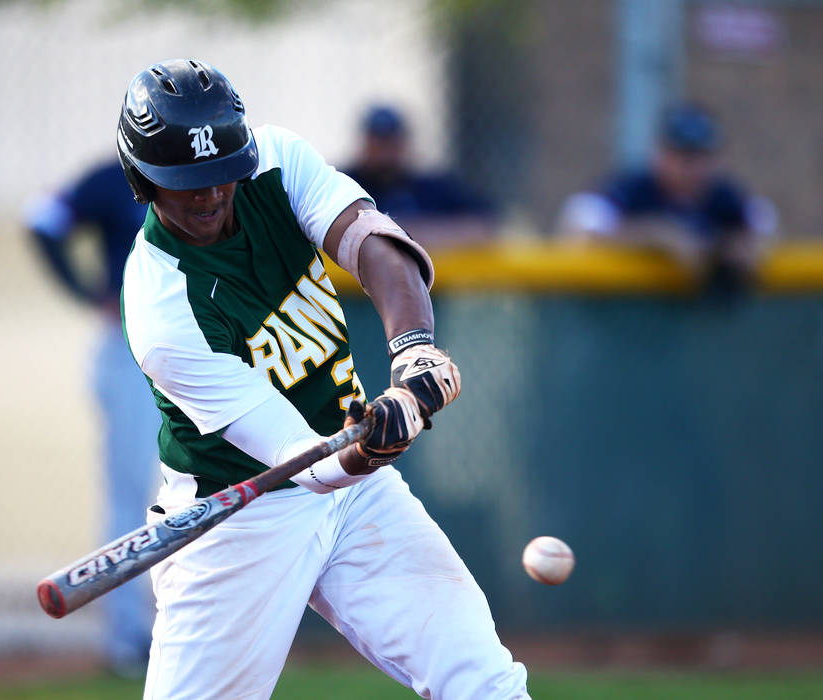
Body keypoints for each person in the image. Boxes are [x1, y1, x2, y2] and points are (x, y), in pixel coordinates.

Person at [116, 59, 529, 699]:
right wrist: (372, 447)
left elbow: (374, 244)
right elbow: (300, 458)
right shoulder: (162, 309)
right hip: (239, 519)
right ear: (144, 181)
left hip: (357, 496)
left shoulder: (276, 164)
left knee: (482, 681)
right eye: (186, 182)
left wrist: (413, 352)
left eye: (222, 171)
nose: (210, 193)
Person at [25, 161, 158, 675]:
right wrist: (84, 291)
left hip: (200, 347)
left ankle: (186, 630)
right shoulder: (114, 178)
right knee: (130, 495)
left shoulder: (205, 174)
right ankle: (127, 637)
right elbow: (42, 219)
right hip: (129, 350)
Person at [557, 102, 777, 295]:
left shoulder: (723, 195)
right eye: (684, 156)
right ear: (661, 154)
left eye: (702, 156)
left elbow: (765, 228)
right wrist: (658, 236)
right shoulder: (635, 188)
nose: (693, 167)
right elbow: (578, 227)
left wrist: (736, 248)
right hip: (623, 316)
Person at [343, 104, 500, 245]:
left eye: (390, 142)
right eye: (378, 143)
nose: (384, 151)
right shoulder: (349, 186)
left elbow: (484, 222)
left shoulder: (433, 188)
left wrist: (424, 232)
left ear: (403, 143)